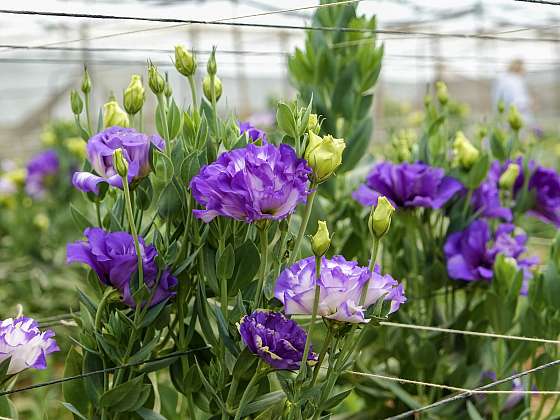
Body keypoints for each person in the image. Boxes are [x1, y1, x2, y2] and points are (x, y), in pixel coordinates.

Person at [493, 59, 534, 126]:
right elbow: (519, 102)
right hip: (515, 117)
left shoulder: (503, 79)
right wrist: (529, 104)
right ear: (519, 68)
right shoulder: (515, 81)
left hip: (504, 115)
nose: (525, 71)